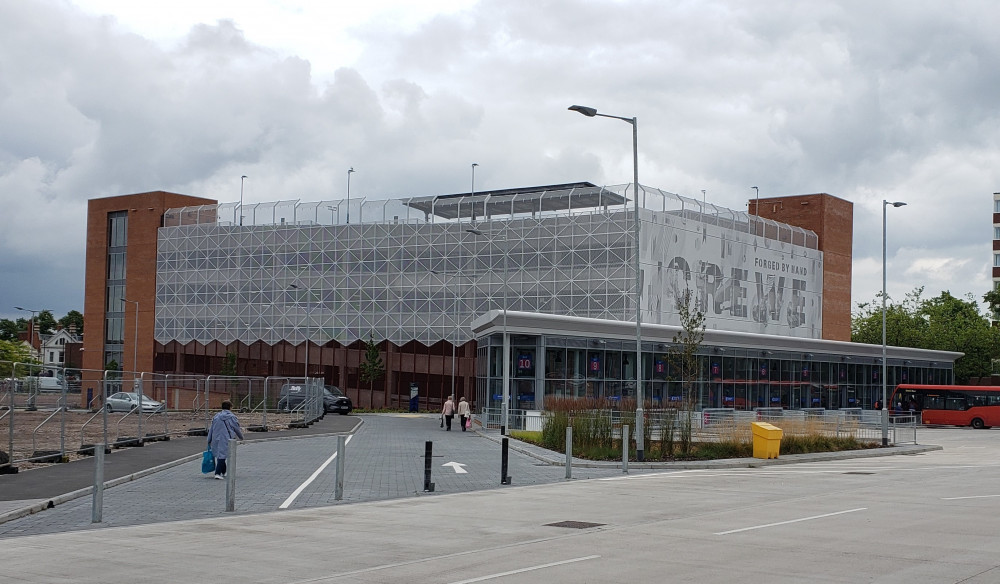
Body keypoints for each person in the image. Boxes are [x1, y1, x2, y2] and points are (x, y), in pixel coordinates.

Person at [207, 400, 244, 479]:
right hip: (227, 438)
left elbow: (211, 429)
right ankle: (217, 473)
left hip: (216, 438)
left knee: (220, 455)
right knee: (222, 455)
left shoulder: (216, 416)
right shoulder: (232, 417)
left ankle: (224, 471)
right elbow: (236, 428)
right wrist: (241, 437)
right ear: (230, 407)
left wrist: (209, 439)